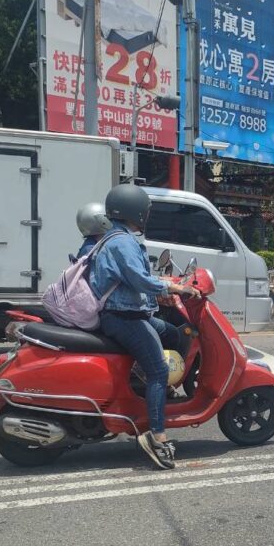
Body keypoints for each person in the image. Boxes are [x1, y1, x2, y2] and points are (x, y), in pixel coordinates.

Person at [88, 184, 201, 471]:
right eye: (145, 210)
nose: (146, 215)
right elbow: (138, 279)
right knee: (159, 370)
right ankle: (157, 436)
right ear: (134, 210)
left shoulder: (114, 237)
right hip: (123, 318)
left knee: (172, 333)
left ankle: (155, 388)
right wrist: (173, 286)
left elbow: (133, 281)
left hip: (130, 312)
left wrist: (160, 290)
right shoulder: (122, 243)